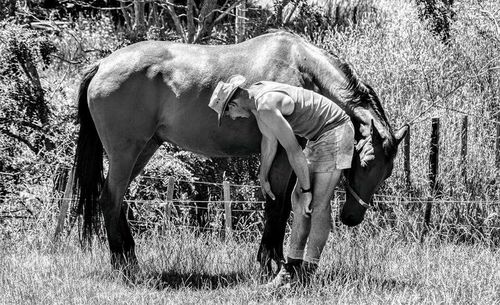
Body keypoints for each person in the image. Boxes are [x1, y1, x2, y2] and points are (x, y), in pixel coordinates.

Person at [208, 75, 355, 287]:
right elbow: (269, 140)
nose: (232, 117)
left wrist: (306, 190)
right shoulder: (256, 98)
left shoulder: (265, 105)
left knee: (316, 204)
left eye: (228, 112)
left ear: (233, 103)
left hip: (335, 131)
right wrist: (263, 175)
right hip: (319, 135)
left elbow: (294, 150)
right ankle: (292, 269)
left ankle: (306, 274)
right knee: (298, 202)